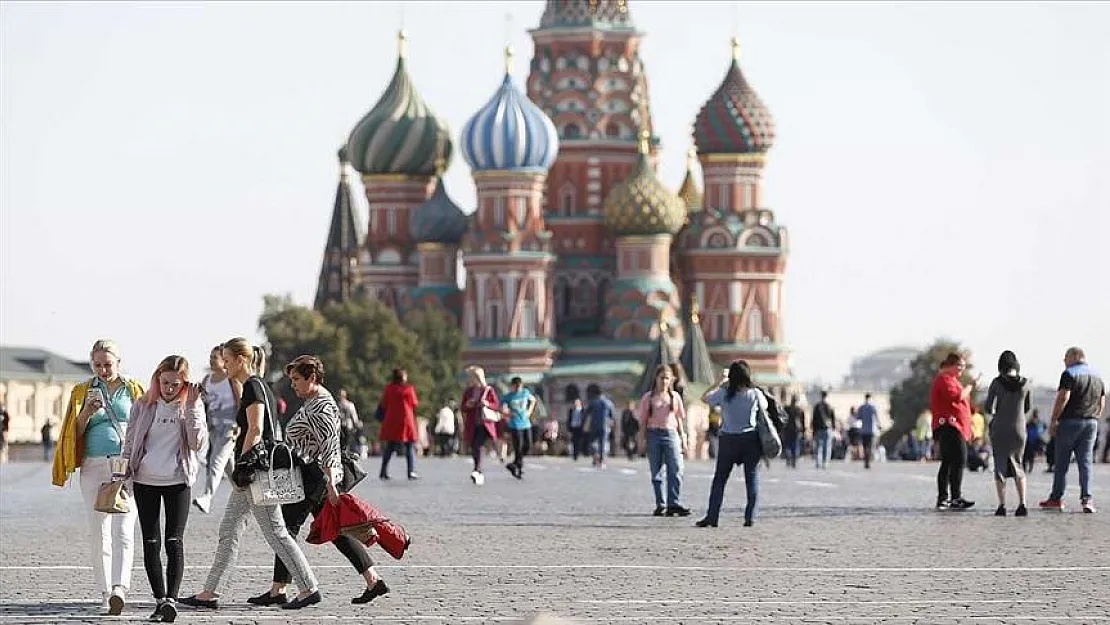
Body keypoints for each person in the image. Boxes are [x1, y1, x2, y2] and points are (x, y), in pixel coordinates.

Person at [179, 338, 320, 611]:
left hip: (257, 473)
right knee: (229, 529)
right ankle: (210, 593)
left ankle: (309, 587)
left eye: (228, 360)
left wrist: (243, 465)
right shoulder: (257, 386)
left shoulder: (253, 387)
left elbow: (255, 430)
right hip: (255, 472)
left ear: (241, 360)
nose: (225, 365)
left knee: (276, 533)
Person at [248, 355, 387, 608]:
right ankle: (373, 580)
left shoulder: (322, 406)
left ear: (312, 378)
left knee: (286, 529)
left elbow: (330, 447)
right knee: (335, 531)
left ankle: (284, 590)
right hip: (312, 474)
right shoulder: (313, 400)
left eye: (297, 380)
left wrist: (332, 485)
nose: (293, 385)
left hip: (316, 477)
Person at [51, 340, 145, 614]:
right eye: (98, 365)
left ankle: (120, 588)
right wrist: (86, 414)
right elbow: (72, 433)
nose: (103, 370)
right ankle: (105, 590)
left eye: (108, 364)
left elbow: (144, 424)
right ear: (92, 364)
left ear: (119, 362)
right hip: (93, 466)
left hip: (126, 466)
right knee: (99, 530)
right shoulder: (82, 391)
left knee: (124, 528)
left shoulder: (134, 389)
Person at [122, 356, 207, 622]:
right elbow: (129, 441)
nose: (169, 388)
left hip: (178, 482)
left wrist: (192, 406)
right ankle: (159, 600)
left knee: (173, 541)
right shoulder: (143, 405)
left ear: (184, 384)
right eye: (165, 382)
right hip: (145, 480)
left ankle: (171, 599)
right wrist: (122, 474)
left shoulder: (191, 404)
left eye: (175, 384)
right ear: (157, 379)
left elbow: (197, 444)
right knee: (151, 542)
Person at [696, 360, 768, 528]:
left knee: (720, 480)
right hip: (751, 439)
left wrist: (718, 382)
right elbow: (764, 408)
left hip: (728, 440)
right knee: (752, 479)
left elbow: (704, 398)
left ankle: (712, 516)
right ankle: (750, 516)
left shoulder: (724, 393)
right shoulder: (755, 393)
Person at [1040, 347, 1105, 513]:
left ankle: (1056, 498)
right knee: (1085, 462)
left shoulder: (1069, 374)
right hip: (1091, 422)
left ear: (1075, 356)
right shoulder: (1097, 376)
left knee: (1061, 462)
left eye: (1066, 358)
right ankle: (1087, 499)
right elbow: (1102, 400)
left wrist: (1054, 420)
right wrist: (1096, 415)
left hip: (1070, 421)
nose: (1064, 361)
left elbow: (1064, 397)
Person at [983, 350, 1031, 517]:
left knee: (1000, 466)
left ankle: (1002, 505)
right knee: (1018, 464)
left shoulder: (996, 383)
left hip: (1000, 428)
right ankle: (1022, 503)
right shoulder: (1026, 383)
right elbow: (1027, 407)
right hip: (1019, 428)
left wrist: (997, 412)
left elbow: (988, 406)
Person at [193, 346, 239, 514]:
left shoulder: (231, 380)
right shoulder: (207, 380)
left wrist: (240, 425)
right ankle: (246, 495)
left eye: (215, 358)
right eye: (210, 357)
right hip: (213, 427)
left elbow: (241, 402)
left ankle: (207, 496)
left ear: (224, 360)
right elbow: (203, 403)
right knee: (229, 467)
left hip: (230, 428)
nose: (211, 360)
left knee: (216, 461)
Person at [639, 366, 690, 516]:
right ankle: (661, 504)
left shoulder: (674, 397)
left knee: (676, 469)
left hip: (671, 434)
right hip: (653, 434)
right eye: (662, 378)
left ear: (671, 380)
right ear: (656, 379)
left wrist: (683, 438)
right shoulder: (648, 398)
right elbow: (643, 421)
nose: (664, 381)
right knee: (657, 472)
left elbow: (679, 419)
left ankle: (673, 503)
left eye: (667, 378)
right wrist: (641, 439)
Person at [930, 352, 976, 510]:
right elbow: (956, 397)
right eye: (959, 366)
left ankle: (953, 496)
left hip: (959, 426)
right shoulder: (944, 379)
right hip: (949, 426)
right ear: (950, 365)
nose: (961, 369)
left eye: (963, 366)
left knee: (953, 462)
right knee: (954, 461)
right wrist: (970, 387)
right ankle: (948, 496)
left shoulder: (953, 380)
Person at [378, 369, 420, 481]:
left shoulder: (389, 389)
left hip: (392, 420)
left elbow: (383, 403)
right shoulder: (409, 389)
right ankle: (410, 471)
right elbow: (414, 403)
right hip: (406, 420)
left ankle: (383, 471)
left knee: (390, 447)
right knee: (409, 446)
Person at [461, 366, 500, 485]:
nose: (470, 379)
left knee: (478, 445)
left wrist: (487, 403)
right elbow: (462, 407)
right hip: (473, 423)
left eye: (472, 376)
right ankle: (478, 471)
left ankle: (477, 470)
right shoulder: (468, 391)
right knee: (474, 446)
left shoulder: (488, 390)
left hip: (485, 422)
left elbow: (496, 405)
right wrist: (468, 404)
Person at [499, 377, 536, 479]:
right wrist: (507, 414)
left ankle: (514, 463)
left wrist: (529, 411)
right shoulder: (509, 397)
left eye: (520, 386)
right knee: (518, 447)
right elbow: (499, 407)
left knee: (528, 445)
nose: (518, 388)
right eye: (516, 386)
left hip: (526, 423)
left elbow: (533, 400)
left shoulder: (525, 393)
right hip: (515, 425)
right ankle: (518, 468)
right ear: (513, 386)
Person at [585, 384, 615, 468]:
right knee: (602, 443)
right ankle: (601, 460)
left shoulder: (594, 402)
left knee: (591, 442)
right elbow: (612, 415)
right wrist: (611, 424)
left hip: (594, 426)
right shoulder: (609, 403)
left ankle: (595, 456)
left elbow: (586, 413)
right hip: (605, 426)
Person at [810, 391, 835, 469]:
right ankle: (825, 462)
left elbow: (814, 419)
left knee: (818, 447)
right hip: (827, 429)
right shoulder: (829, 406)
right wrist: (833, 427)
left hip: (818, 429)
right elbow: (833, 418)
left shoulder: (817, 406)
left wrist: (813, 429)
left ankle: (818, 462)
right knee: (827, 447)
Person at [856, 394, 881, 469]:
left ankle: (865, 461)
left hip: (863, 430)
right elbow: (877, 418)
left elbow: (858, 417)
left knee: (864, 446)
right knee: (869, 446)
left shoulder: (861, 407)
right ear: (870, 398)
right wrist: (879, 425)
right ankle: (868, 461)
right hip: (871, 430)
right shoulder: (873, 407)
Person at [337, 390, 363, 455]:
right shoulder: (337, 405)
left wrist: (356, 424)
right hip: (340, 426)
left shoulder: (348, 405)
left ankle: (345, 454)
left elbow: (354, 416)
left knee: (346, 442)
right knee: (342, 442)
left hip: (346, 426)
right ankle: (343, 453)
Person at [783, 395, 805, 468]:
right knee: (795, 445)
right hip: (797, 429)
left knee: (788, 445)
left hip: (788, 429)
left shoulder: (786, 408)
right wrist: (803, 431)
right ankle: (794, 460)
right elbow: (802, 421)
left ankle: (788, 457)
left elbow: (783, 419)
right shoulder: (799, 409)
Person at [1023, 409, 1046, 474]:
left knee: (1028, 455)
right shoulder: (1036, 422)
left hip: (1031, 440)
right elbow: (1044, 427)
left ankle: (1028, 468)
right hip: (1033, 440)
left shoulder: (1034, 421)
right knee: (1029, 456)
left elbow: (1044, 426)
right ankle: (1028, 467)